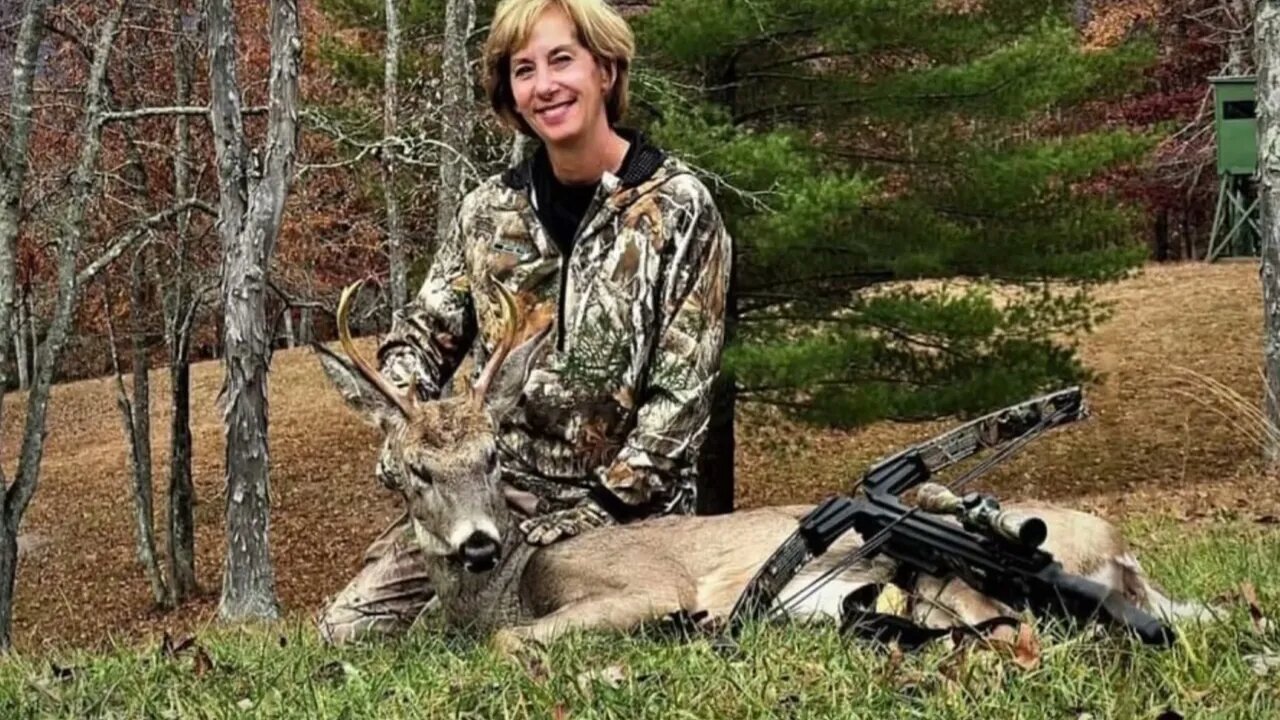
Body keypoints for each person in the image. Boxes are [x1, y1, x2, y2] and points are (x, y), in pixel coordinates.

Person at [318, 0, 733, 644]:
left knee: (582, 624)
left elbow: (681, 400)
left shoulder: (679, 209)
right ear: (510, 93)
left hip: (628, 516)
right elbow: (425, 336)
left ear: (605, 69)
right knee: (349, 632)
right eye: (523, 70)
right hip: (485, 497)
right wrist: (406, 423)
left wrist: (598, 505)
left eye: (561, 59)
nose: (545, 85)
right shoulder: (488, 213)